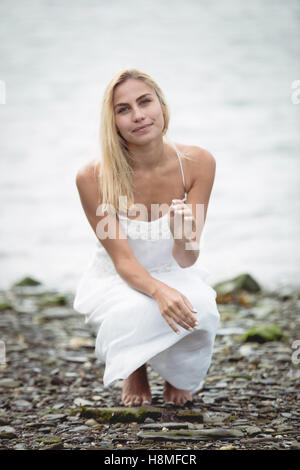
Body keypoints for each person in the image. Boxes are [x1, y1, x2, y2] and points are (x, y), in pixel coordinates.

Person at [73, 68, 220, 407]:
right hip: (119, 276)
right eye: (123, 109)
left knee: (204, 312)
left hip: (173, 270)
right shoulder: (92, 177)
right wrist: (159, 292)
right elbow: (123, 260)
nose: (138, 115)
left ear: (162, 107)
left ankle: (176, 375)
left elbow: (188, 258)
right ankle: (134, 369)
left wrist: (184, 235)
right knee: (134, 310)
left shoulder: (197, 163)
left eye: (145, 102)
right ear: (113, 122)